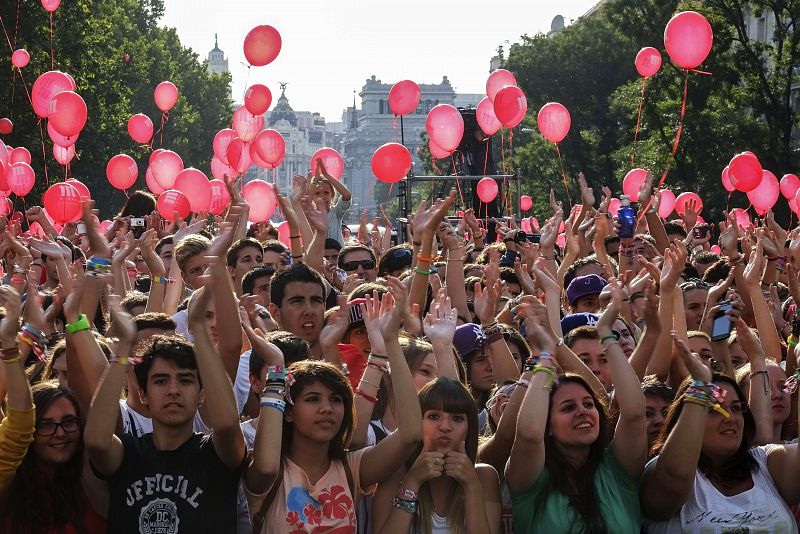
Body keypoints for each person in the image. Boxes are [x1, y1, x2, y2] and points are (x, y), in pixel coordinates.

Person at [243, 279, 422, 533]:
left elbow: (411, 433)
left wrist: (391, 342)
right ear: (290, 411)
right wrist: (275, 368)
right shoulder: (269, 469)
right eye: (313, 399)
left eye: (336, 399)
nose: (327, 408)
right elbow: (266, 467)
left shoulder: (353, 468)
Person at [85, 289, 246, 532]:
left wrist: (200, 329)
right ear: (143, 393)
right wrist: (123, 351)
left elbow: (226, 424)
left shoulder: (217, 453)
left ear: (202, 394)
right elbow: (96, 441)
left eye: (185, 380)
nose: (173, 390)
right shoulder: (127, 453)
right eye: (160, 381)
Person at [506, 279, 647, 533]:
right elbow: (528, 435)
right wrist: (546, 356)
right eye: (567, 408)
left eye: (588, 404)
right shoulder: (530, 480)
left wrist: (606, 332)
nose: (583, 411)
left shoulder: (616, 471)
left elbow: (635, 413)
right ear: (546, 425)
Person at [641, 326, 800, 532]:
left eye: (736, 408)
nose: (731, 418)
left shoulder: (766, 463)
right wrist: (701, 387)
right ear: (686, 416)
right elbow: (674, 475)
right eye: (715, 410)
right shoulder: (661, 470)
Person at [372, 378, 502, 533]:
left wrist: (472, 487)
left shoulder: (484, 477)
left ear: (470, 429)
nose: (445, 427)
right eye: (434, 416)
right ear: (418, 422)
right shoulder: (394, 473)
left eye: (457, 418)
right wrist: (411, 483)